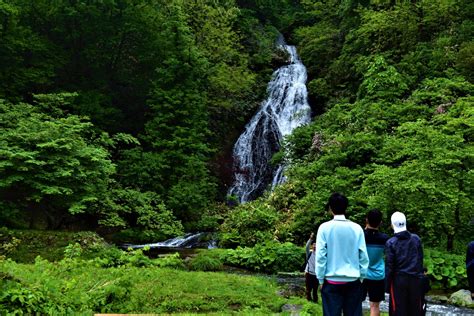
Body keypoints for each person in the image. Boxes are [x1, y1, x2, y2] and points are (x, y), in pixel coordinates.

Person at [315, 192, 369, 316]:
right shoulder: (357, 228)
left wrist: (320, 279)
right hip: (353, 281)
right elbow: (363, 256)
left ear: (330, 208)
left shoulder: (324, 228)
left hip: (331, 281)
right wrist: (361, 277)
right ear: (346, 207)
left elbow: (321, 256)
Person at [385, 211, 424, 316]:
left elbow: (389, 267)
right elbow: (420, 261)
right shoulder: (416, 239)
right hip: (415, 279)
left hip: (399, 281)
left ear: (392, 224)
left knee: (398, 310)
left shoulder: (391, 242)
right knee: (415, 310)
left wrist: (387, 286)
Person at [361, 209, 389, 316]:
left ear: (366, 220)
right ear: (380, 222)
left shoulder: (361, 235)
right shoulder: (385, 239)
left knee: (357, 303)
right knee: (375, 305)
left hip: (361, 274)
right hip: (378, 275)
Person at [304, 232, 319, 303]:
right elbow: (307, 246)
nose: (314, 246)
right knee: (308, 289)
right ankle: (308, 302)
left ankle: (315, 302)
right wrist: (310, 239)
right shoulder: (309, 253)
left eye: (316, 245)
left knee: (315, 290)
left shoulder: (320, 255)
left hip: (316, 275)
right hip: (309, 273)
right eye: (313, 245)